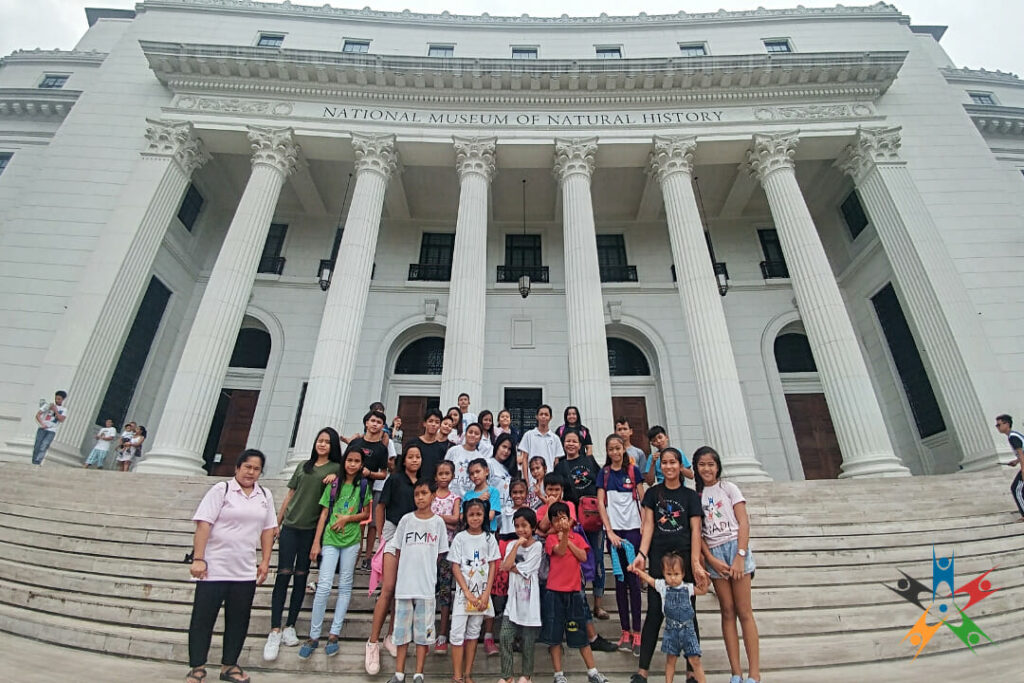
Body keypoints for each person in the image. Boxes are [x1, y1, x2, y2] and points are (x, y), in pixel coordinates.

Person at [186, 449, 276, 683]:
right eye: (247, 467)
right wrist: (199, 558)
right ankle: (197, 667)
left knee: (238, 620)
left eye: (256, 469)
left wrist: (265, 561)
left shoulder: (264, 495)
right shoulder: (221, 490)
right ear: (237, 467)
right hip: (213, 568)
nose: (251, 472)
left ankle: (229, 666)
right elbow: (204, 524)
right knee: (203, 619)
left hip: (244, 570)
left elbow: (268, 530)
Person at [630, 448, 708, 683]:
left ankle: (692, 672)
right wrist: (642, 553)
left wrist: (695, 562)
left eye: (673, 462)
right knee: (654, 612)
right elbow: (649, 525)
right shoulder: (653, 494)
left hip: (683, 559)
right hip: (659, 558)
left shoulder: (690, 496)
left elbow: (696, 530)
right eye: (664, 463)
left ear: (679, 465)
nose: (669, 467)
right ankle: (642, 671)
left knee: (688, 614)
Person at [264, 427, 343, 661]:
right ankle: (275, 629)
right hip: (290, 526)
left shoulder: (335, 468)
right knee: (283, 575)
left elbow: (344, 482)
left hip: (311, 529)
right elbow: (290, 495)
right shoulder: (303, 466)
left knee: (301, 576)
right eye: (320, 441)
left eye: (327, 442)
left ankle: (290, 626)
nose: (322, 445)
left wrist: (336, 478)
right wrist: (275, 523)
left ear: (333, 446)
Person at [694, 446, 760, 683]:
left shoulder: (729, 488)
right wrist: (710, 559)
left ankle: (754, 673)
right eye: (702, 464)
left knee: (744, 612)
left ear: (718, 466)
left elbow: (743, 522)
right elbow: (698, 533)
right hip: (715, 554)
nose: (707, 469)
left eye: (711, 464)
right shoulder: (697, 496)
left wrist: (740, 556)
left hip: (734, 548)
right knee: (727, 612)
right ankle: (736, 672)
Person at [301, 445, 372, 658]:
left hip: (351, 540)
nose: (352, 465)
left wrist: (346, 519)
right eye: (349, 460)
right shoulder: (334, 484)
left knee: (345, 586)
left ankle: (334, 633)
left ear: (361, 465)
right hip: (331, 540)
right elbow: (323, 514)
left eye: (356, 461)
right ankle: (313, 635)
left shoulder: (363, 485)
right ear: (344, 462)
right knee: (323, 586)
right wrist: (316, 542)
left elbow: (366, 514)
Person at [366, 444, 424, 673]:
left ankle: (391, 635)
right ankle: (372, 641)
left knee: (401, 591)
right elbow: (380, 507)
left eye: (418, 457)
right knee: (388, 588)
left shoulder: (421, 483)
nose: (415, 460)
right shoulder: (395, 479)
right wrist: (382, 535)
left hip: (413, 536)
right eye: (410, 456)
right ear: (404, 459)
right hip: (393, 533)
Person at [387, 479, 450, 683]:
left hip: (426, 586)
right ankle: (399, 673)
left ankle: (419, 673)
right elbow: (397, 549)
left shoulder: (438, 522)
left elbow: (440, 554)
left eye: (424, 493)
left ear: (433, 495)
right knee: (402, 633)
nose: (420, 497)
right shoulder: (406, 520)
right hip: (405, 585)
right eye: (417, 494)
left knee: (423, 634)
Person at [540, 502, 609, 683]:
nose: (560, 523)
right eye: (556, 520)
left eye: (563, 518)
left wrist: (568, 538)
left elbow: (583, 556)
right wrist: (563, 537)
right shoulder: (551, 539)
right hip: (554, 592)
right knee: (555, 636)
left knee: (580, 632)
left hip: (574, 591)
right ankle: (558, 674)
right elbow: (560, 551)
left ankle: (593, 671)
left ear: (570, 520)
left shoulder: (578, 538)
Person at [597, 434, 646, 655]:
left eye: (618, 448)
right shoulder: (604, 474)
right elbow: (600, 503)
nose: (615, 453)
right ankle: (624, 631)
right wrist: (609, 531)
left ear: (623, 450)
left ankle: (637, 632)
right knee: (619, 581)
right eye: (611, 449)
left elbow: (642, 500)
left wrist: (644, 525)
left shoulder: (633, 472)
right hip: (614, 533)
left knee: (634, 582)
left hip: (633, 531)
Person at [630, 552, 709, 683]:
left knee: (695, 660)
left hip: (688, 630)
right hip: (671, 630)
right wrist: (637, 570)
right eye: (669, 574)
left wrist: (703, 579)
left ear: (683, 574)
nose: (673, 578)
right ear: (664, 574)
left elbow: (703, 591)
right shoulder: (662, 587)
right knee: (670, 660)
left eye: (676, 574)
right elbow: (649, 579)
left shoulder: (687, 587)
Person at [554, 431, 607, 619]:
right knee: (579, 561)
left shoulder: (590, 461)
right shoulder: (560, 466)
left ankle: (598, 604)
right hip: (575, 521)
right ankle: (582, 601)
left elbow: (601, 484)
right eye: (567, 441)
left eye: (574, 441)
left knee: (599, 560)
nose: (570, 444)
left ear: (581, 444)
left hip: (594, 518)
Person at [449, 497, 501, 683]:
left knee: (473, 633)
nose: (475, 518)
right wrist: (467, 593)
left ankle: (468, 673)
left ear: (485, 516)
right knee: (457, 634)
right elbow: (455, 566)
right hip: (465, 596)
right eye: (471, 514)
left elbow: (493, 565)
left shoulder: (489, 538)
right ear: (465, 516)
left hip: (482, 596)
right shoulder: (460, 538)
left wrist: (486, 593)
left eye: (479, 514)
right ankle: (457, 676)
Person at [498, 507, 543, 683]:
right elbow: (505, 566)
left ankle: (526, 675)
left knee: (528, 642)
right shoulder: (511, 545)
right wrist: (516, 545)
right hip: (513, 600)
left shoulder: (537, 546)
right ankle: (507, 676)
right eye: (517, 526)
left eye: (524, 525)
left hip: (530, 602)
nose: (520, 530)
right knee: (504, 636)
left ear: (533, 527)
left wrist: (512, 566)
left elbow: (527, 569)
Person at [351, 409, 390, 570]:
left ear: (382, 426)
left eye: (379, 422)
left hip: (368, 490)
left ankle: (363, 558)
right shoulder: (356, 444)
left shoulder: (382, 449)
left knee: (367, 525)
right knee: (354, 526)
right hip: (350, 490)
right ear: (366, 423)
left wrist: (370, 473)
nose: (375, 424)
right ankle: (351, 559)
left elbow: (383, 473)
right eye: (372, 421)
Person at [431, 460, 461, 655]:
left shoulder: (455, 498)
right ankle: (425, 630)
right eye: (440, 473)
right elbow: (424, 516)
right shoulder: (430, 495)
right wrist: (445, 522)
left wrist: (437, 519)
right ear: (435, 476)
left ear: (452, 476)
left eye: (446, 473)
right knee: (426, 589)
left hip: (447, 549)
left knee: (444, 590)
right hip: (428, 548)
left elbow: (456, 520)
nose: (443, 477)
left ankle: (442, 633)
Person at [518, 405, 564, 487]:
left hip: (549, 482)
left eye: (546, 414)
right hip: (531, 481)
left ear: (550, 417)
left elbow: (556, 462)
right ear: (537, 416)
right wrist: (526, 480)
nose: (543, 417)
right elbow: (524, 459)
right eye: (541, 414)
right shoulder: (528, 435)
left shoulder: (555, 438)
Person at [995, 414, 1024, 521]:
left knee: (1017, 489)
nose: (997, 427)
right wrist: (1016, 461)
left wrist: (1023, 470)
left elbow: (1021, 454)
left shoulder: (1013, 437)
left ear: (1007, 424)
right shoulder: (1014, 435)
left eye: (999, 425)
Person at [446, 422, 485, 499]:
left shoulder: (480, 458)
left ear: (480, 438)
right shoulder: (453, 451)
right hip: (450, 496)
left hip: (469, 499)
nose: (473, 435)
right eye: (470, 432)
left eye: (476, 433)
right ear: (465, 434)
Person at [409, 408, 447, 483]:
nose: (433, 424)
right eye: (430, 421)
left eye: (437, 422)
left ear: (440, 425)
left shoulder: (441, 448)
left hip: (432, 487)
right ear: (424, 423)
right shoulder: (413, 443)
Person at [32, 390, 67, 465]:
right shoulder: (48, 405)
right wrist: (42, 423)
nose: (57, 400)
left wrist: (55, 411)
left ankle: (38, 461)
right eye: (56, 398)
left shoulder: (64, 409)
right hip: (42, 428)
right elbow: (38, 415)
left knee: (44, 445)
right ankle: (34, 461)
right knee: (37, 445)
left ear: (63, 399)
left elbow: (61, 419)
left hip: (52, 430)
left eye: (59, 399)